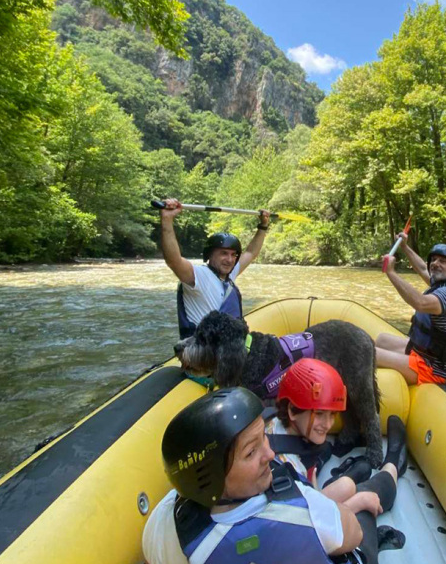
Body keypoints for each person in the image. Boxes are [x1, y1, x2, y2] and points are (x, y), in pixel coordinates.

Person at [142, 387, 402, 564]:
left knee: (344, 488)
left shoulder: (160, 525)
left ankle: (352, 474)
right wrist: (349, 504)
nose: (269, 454)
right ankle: (392, 464)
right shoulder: (297, 510)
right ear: (212, 477)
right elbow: (354, 534)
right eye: (251, 452)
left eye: (263, 437)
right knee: (369, 498)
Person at [268, 358, 408, 500]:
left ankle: (348, 477)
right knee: (353, 489)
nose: (328, 424)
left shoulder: (275, 421)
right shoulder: (291, 469)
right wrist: (358, 502)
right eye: (320, 414)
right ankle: (393, 466)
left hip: (306, 489)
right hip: (307, 510)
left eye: (333, 414)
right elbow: (311, 515)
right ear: (292, 410)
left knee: (330, 453)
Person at [158, 198, 271, 338]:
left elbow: (251, 253)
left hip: (229, 348)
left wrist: (263, 226)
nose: (230, 260)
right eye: (223, 253)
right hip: (204, 352)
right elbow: (173, 260)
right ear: (210, 255)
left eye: (233, 255)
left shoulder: (229, 275)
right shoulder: (197, 276)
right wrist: (167, 220)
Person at [376, 235, 446, 385]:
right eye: (433, 260)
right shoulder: (445, 284)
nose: (435, 263)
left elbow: (420, 303)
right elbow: (422, 268)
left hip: (432, 369)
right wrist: (405, 247)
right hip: (425, 355)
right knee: (382, 339)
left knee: (368, 353)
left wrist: (391, 272)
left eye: (443, 261)